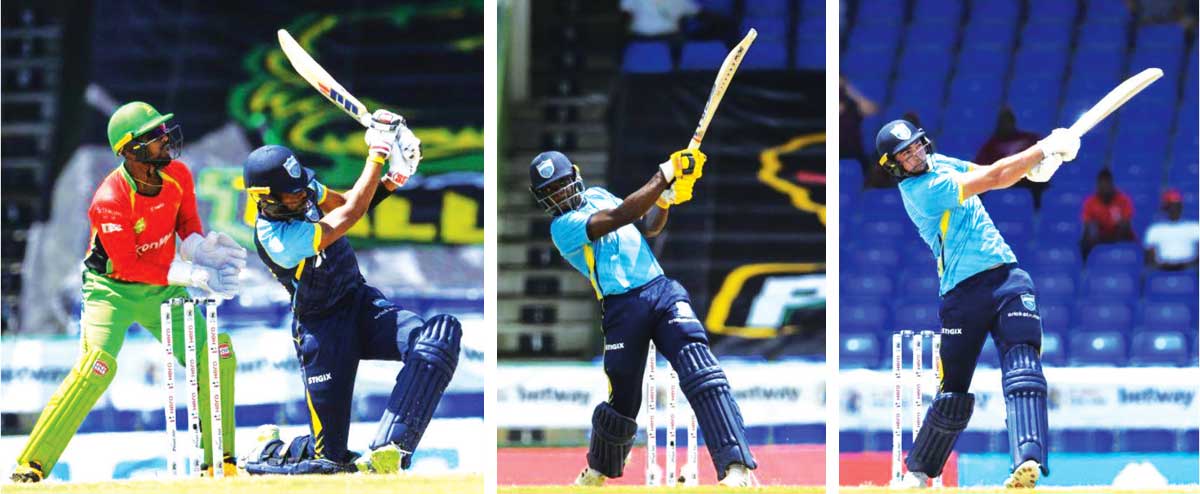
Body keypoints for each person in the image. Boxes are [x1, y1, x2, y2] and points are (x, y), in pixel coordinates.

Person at [10, 102, 247, 482]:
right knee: (96, 367)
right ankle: (32, 465)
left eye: (163, 132)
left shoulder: (178, 175)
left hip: (162, 290)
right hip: (112, 290)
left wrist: (203, 249)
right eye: (154, 136)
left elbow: (187, 225)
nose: (165, 140)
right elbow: (128, 265)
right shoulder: (110, 199)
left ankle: (220, 461)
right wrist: (192, 275)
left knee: (217, 356)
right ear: (130, 149)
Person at [239, 109, 463, 475]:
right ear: (266, 198)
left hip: (360, 303)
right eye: (293, 196)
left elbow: (346, 204)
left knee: (436, 339)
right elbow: (351, 217)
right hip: (322, 331)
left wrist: (395, 177)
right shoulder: (276, 240)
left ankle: (390, 449)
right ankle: (269, 454)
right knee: (330, 461)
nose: (303, 197)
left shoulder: (300, 191)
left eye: (302, 189)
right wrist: (377, 150)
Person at [528, 149, 758, 487]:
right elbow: (621, 215)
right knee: (623, 398)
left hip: (661, 291)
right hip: (621, 309)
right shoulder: (561, 228)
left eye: (562, 185)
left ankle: (736, 467)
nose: (560, 195)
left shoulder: (598, 195)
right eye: (551, 192)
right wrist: (663, 174)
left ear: (575, 175)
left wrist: (665, 199)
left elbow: (648, 227)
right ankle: (599, 469)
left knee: (702, 371)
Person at [874, 119, 1080, 488]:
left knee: (1024, 370)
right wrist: (1044, 148)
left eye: (918, 145)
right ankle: (919, 472)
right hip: (961, 295)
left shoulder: (942, 165)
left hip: (1007, 278)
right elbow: (994, 179)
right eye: (906, 154)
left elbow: (991, 172)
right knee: (953, 391)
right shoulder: (923, 191)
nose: (916, 154)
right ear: (894, 165)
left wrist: (1038, 168)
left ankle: (1027, 460)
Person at [1081, 168, 1135, 258]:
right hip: (1099, 238)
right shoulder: (1090, 202)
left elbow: (1126, 223)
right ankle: (1086, 267)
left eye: (1107, 184)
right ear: (1098, 185)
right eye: (1102, 184)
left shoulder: (1123, 200)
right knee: (1085, 240)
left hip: (1119, 236)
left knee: (1127, 233)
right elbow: (1088, 225)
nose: (1105, 187)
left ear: (1112, 184)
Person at [1144, 189, 1199, 270]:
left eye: (1177, 206)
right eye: (1171, 206)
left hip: (1189, 269)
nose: (1174, 209)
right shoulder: (1155, 229)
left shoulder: (1194, 227)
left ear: (1181, 207)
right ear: (1165, 208)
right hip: (1163, 270)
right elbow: (1149, 258)